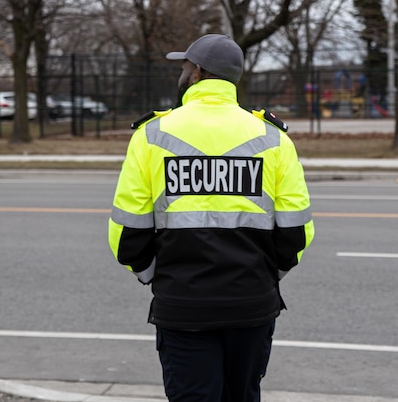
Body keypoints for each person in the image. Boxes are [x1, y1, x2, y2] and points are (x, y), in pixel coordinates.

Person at [108, 34, 315, 402]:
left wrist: (157, 276)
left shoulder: (151, 135)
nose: (183, 74)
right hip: (252, 303)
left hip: (182, 304)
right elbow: (295, 233)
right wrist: (265, 275)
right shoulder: (273, 137)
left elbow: (128, 235)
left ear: (198, 72)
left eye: (185, 67)